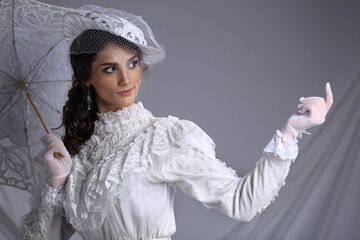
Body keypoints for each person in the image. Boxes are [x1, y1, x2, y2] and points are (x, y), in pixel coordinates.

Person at [20, 5, 333, 240]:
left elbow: (241, 203)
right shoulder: (75, 158)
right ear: (87, 77)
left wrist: (291, 131)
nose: (127, 79)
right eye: (110, 69)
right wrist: (57, 182)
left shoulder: (163, 138)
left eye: (132, 64)